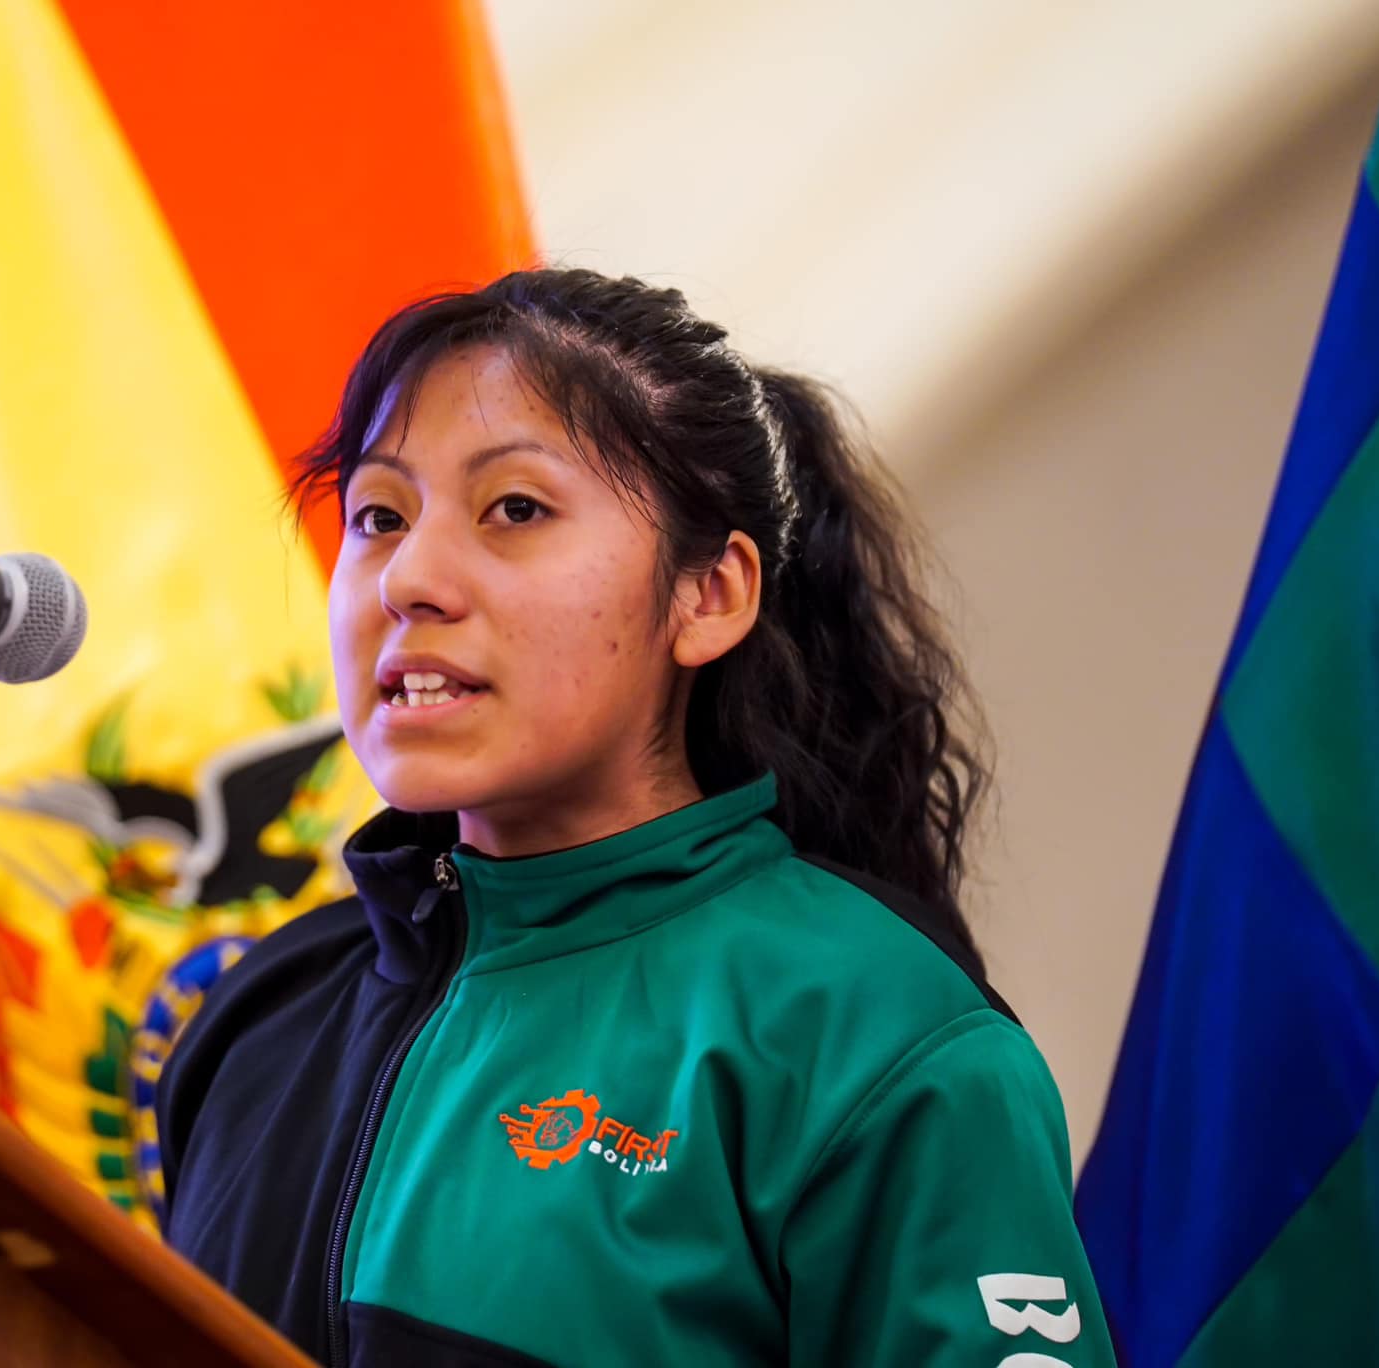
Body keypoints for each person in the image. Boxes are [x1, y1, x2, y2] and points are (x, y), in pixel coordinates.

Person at [156, 268, 1112, 1368]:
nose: (406, 579)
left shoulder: (872, 1033)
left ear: (708, 595)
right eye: (378, 516)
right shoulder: (260, 1013)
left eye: (515, 509)